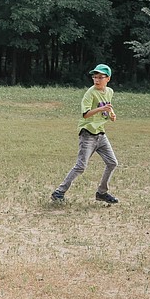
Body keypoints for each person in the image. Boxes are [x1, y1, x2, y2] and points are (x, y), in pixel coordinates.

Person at [51, 63, 119, 204]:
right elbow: (86, 114)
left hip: (101, 134)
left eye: (100, 77)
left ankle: (102, 192)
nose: (97, 80)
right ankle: (59, 192)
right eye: (95, 77)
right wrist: (102, 110)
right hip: (87, 134)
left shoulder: (109, 91)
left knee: (112, 163)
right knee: (81, 166)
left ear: (108, 79)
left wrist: (111, 114)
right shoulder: (90, 93)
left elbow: (107, 107)